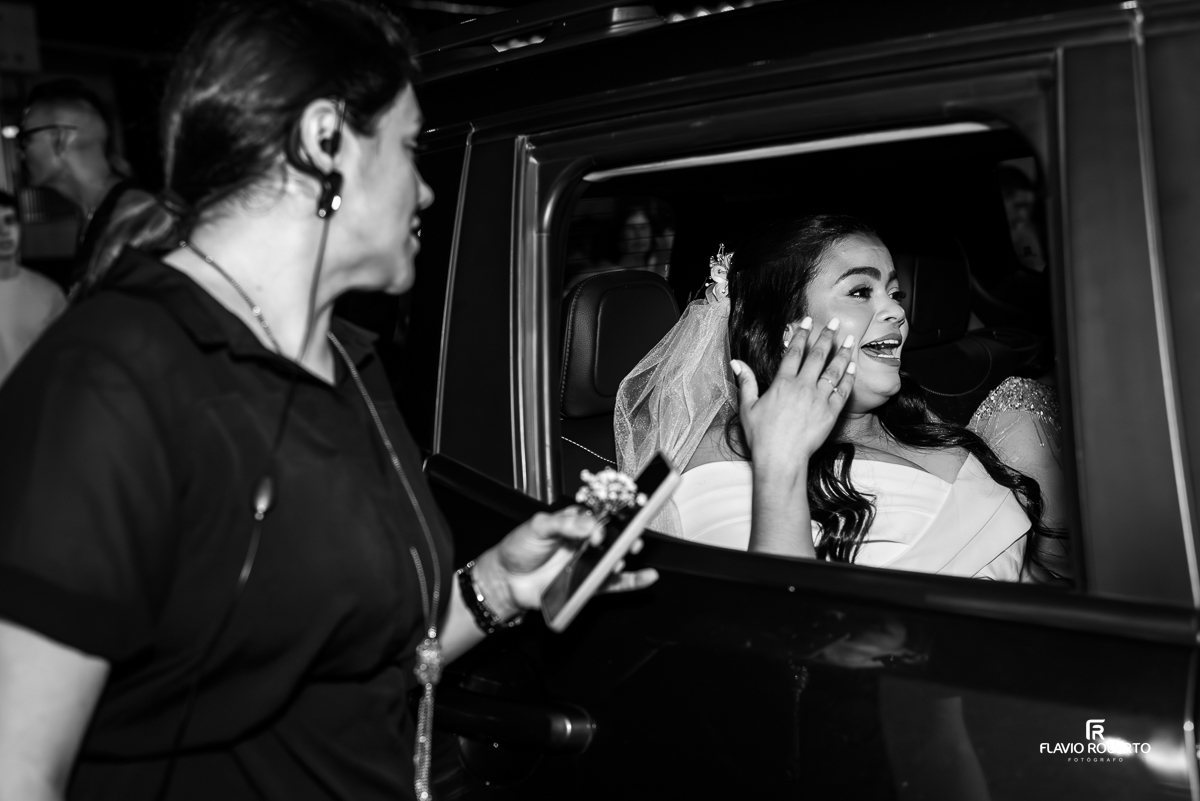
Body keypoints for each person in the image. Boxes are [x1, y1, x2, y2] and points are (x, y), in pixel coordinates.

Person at [0, 3, 654, 800]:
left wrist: (496, 586)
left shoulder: (349, 356)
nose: (425, 189)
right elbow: (18, 763)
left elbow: (360, 658)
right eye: (410, 149)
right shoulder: (113, 375)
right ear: (323, 141)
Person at [615, 214, 1068, 582]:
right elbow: (780, 642)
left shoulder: (912, 422)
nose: (896, 310)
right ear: (786, 332)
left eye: (894, 292)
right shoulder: (718, 465)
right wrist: (782, 464)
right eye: (859, 292)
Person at [19, 78, 153, 289]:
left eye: (26, 139)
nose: (21, 153)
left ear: (59, 138)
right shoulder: (96, 213)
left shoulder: (136, 215)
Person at [0, 190, 66, 385]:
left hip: (30, 407)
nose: (3, 231)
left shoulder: (48, 293)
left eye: (10, 221)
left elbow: (64, 361)